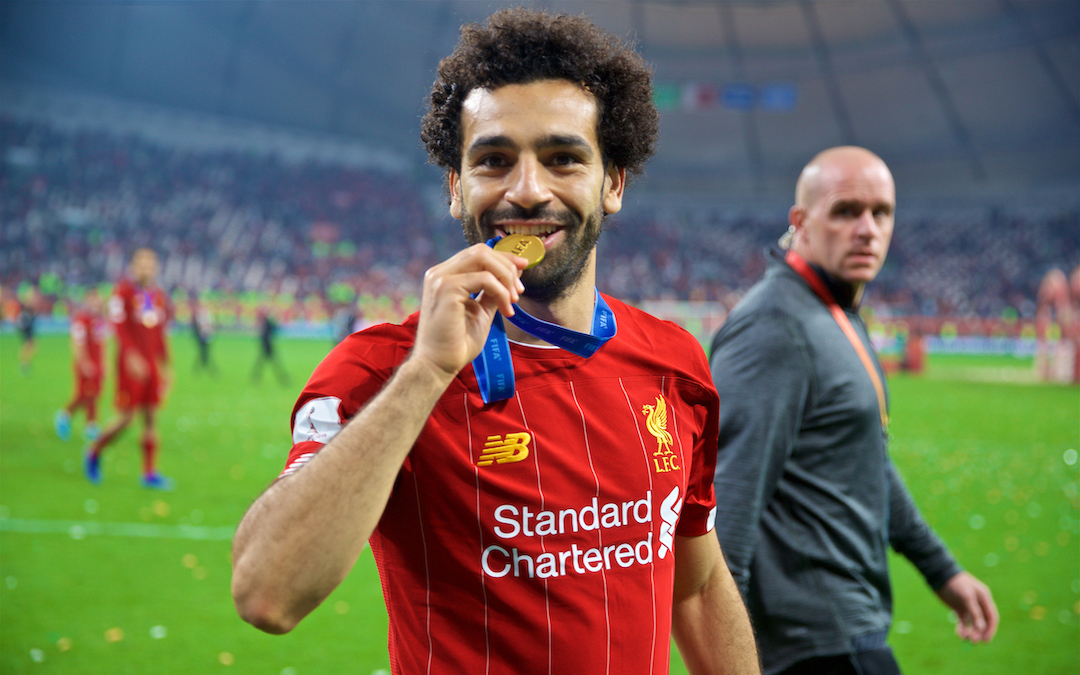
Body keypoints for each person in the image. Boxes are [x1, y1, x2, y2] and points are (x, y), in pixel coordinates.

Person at [232, 9, 759, 675]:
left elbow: (698, 583)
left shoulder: (674, 361)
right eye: (494, 160)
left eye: (564, 158)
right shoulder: (379, 370)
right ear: (457, 188)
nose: (528, 189)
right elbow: (266, 592)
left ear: (614, 183)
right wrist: (428, 370)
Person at [709, 146, 998, 675]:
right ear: (800, 222)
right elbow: (728, 506)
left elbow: (868, 459)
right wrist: (732, 661)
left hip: (846, 631)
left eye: (880, 212)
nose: (867, 228)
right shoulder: (774, 328)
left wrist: (941, 571)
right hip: (813, 645)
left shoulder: (832, 311)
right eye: (846, 211)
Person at [84, 248, 173, 489]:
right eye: (142, 263)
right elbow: (119, 328)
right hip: (129, 366)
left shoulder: (159, 296)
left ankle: (149, 472)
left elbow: (161, 334)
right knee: (127, 418)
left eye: (151, 263)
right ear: (134, 266)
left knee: (152, 417)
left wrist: (167, 367)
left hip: (151, 366)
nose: (147, 268)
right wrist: (131, 356)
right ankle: (94, 450)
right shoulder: (122, 292)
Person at [55, 288, 108, 442]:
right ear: (87, 300)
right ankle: (65, 416)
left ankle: (91, 425)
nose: (97, 301)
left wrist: (104, 362)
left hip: (97, 363)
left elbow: (102, 342)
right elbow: (77, 343)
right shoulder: (81, 319)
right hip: (86, 363)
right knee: (83, 394)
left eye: (98, 298)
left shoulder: (99, 319)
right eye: (93, 298)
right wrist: (84, 362)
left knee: (95, 394)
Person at [250, 306, 288, 385]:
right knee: (274, 364)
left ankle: (255, 377)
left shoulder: (265, 322)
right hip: (267, 346)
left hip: (266, 345)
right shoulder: (266, 321)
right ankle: (283, 378)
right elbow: (274, 329)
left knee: (262, 364)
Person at [191, 292, 218, 376]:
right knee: (203, 352)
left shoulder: (208, 314)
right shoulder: (200, 314)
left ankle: (204, 368)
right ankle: (204, 368)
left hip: (208, 335)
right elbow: (199, 326)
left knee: (205, 352)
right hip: (202, 335)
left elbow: (212, 325)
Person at [16, 286, 39, 376]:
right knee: (29, 345)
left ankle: (25, 363)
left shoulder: (29, 307)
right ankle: (23, 363)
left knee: (31, 345)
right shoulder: (26, 307)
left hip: (28, 327)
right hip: (27, 327)